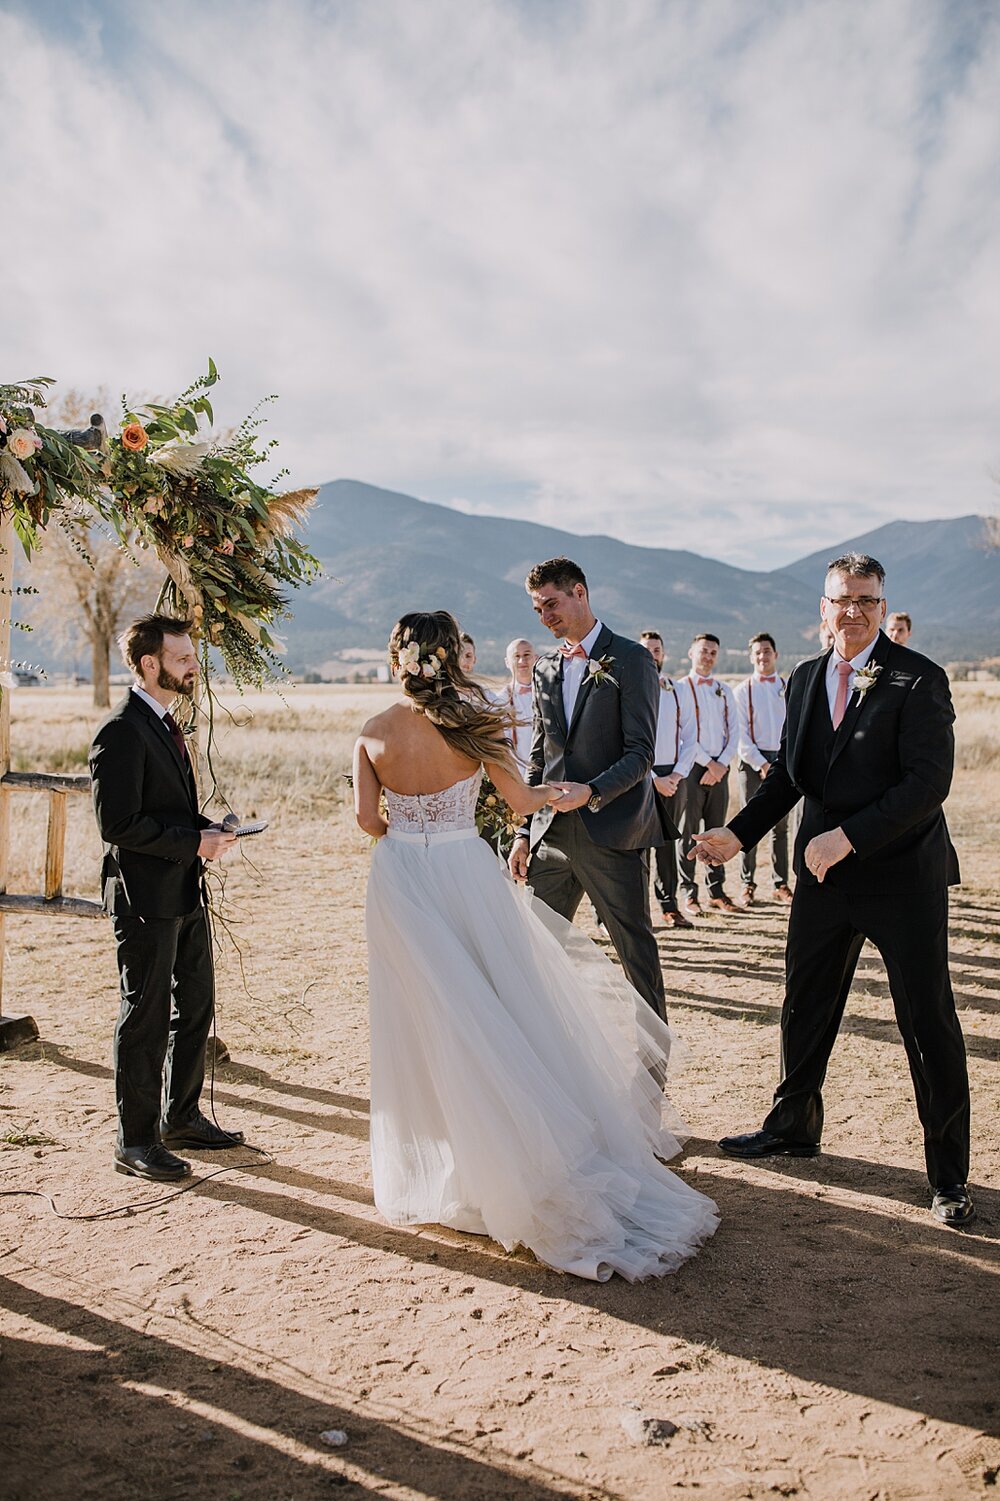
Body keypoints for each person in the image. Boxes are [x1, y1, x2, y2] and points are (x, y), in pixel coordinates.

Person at [354, 610, 718, 1280]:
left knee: (425, 1018)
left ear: (400, 659)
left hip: (401, 879)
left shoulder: (372, 732)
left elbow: (367, 820)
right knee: (494, 1009)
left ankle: (457, 1162)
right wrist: (561, 792)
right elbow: (521, 801)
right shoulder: (477, 727)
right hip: (466, 872)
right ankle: (520, 1151)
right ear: (450, 659)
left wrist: (411, 832)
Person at [693, 554, 973, 1228]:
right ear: (822, 608)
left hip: (902, 876)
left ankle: (949, 1176)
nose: (853, 611)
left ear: (883, 605)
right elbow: (792, 775)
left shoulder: (919, 678)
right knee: (806, 1003)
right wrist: (737, 834)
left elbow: (926, 783)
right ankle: (793, 1125)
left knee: (926, 1021)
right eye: (842, 599)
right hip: (822, 878)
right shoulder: (810, 676)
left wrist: (847, 836)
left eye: (866, 600)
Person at [89, 615, 243, 1183]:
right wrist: (192, 842)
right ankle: (135, 1142)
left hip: (182, 888)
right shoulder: (122, 729)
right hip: (143, 897)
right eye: (182, 658)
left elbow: (165, 810)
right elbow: (118, 823)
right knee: (146, 1015)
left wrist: (211, 830)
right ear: (149, 664)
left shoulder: (165, 722)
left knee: (195, 1003)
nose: (192, 666)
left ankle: (181, 1118)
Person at [508, 558, 675, 1022]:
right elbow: (540, 756)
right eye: (538, 609)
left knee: (635, 957)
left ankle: (650, 1072)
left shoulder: (633, 658)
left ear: (580, 593)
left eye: (551, 604)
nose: (545, 617)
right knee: (536, 955)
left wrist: (592, 791)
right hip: (551, 837)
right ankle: (544, 1060)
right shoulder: (544, 669)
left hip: (614, 833)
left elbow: (640, 753)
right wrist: (524, 831)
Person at [675, 634, 739, 916]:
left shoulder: (725, 690)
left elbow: (734, 731)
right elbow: (679, 731)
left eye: (713, 652)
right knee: (688, 833)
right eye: (704, 651)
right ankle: (689, 893)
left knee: (717, 831)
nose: (708, 656)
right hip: (692, 768)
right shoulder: (679, 689)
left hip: (721, 769)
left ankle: (717, 890)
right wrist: (707, 763)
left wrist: (721, 763)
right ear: (691, 653)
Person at [639, 630, 696, 929]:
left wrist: (675, 775)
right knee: (637, 847)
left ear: (663, 654)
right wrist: (650, 779)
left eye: (656, 650)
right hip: (638, 777)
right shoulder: (629, 687)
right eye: (646, 650)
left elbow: (691, 736)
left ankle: (669, 906)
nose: (652, 655)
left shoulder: (677, 690)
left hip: (673, 776)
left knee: (666, 845)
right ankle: (636, 912)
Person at [734, 633, 793, 907]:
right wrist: (762, 764)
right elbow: (741, 735)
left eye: (767, 651)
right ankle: (747, 884)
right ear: (751, 656)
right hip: (752, 763)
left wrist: (779, 763)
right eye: (757, 652)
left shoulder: (788, 686)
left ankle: (780, 883)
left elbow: (793, 729)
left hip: (782, 760)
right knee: (750, 824)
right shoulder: (741, 691)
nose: (762, 656)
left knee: (780, 828)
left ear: (776, 654)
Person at [499, 636, 538, 766]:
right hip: (518, 769)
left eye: (527, 654)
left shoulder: (549, 694)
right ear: (507, 662)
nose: (522, 660)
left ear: (536, 658)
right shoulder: (500, 700)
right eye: (516, 656)